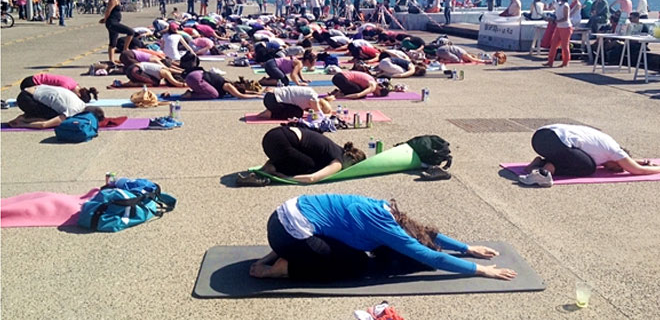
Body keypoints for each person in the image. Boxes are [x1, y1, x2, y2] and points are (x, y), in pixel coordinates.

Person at [249, 193, 518, 281]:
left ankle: (280, 251)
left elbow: (425, 233)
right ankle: (281, 269)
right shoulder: (387, 231)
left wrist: (465, 247)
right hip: (288, 235)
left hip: (280, 216)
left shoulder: (384, 209)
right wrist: (480, 269)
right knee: (353, 265)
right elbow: (430, 256)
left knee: (337, 238)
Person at [519, 124, 660, 187]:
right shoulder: (614, 151)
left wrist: (643, 161)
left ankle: (539, 163)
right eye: (616, 168)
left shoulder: (607, 149)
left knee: (579, 159)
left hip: (540, 138)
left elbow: (630, 162)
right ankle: (545, 171)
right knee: (588, 167)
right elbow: (637, 170)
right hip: (555, 141)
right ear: (619, 160)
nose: (609, 169)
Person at [256, 128, 366, 184]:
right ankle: (273, 169)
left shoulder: (335, 148)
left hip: (272, 136)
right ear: (352, 162)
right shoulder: (338, 162)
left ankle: (271, 165)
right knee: (313, 167)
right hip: (281, 143)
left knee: (309, 159)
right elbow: (312, 178)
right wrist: (286, 178)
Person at [8, 85, 104, 129]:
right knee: (54, 119)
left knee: (55, 113)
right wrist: (22, 125)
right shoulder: (73, 110)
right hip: (26, 99)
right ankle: (24, 119)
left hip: (30, 91)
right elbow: (44, 124)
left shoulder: (79, 102)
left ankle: (27, 116)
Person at [99, 0, 135, 65]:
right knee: (130, 32)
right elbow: (108, 11)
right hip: (112, 23)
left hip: (115, 22)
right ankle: (125, 49)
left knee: (113, 43)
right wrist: (105, 19)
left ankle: (111, 61)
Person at [256, 86, 333, 120]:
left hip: (270, 97)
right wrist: (327, 115)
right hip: (272, 101)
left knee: (297, 110)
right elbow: (318, 115)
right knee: (298, 113)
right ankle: (270, 113)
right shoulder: (313, 99)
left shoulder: (311, 92)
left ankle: (271, 110)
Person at [20, 73, 99, 103]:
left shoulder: (74, 84)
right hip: (31, 83)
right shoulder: (65, 86)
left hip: (32, 80)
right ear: (78, 94)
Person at [543, 0, 572, 68]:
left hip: (566, 27)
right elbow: (554, 12)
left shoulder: (565, 6)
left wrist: (556, 21)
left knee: (564, 45)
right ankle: (550, 61)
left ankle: (565, 62)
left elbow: (565, 18)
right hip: (559, 27)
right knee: (553, 44)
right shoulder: (558, 5)